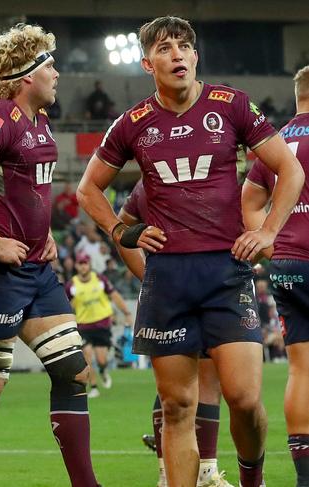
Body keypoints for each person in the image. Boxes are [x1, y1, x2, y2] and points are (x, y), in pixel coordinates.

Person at [76, 15, 303, 487]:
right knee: (178, 406)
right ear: (146, 62)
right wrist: (122, 231)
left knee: (243, 399)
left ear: (196, 56)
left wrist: (267, 233)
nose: (176, 54)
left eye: (184, 46)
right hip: (168, 281)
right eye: (164, 48)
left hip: (226, 272)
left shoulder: (233, 105)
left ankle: (251, 477)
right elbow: (88, 190)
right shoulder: (132, 123)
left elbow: (290, 171)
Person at [0, 23, 101, 487]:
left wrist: (46, 234)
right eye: (49, 65)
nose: (57, 73)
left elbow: (24, 193)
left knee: (74, 371)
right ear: (25, 76)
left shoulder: (40, 122)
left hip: (36, 269)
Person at [120, 180, 233, 487]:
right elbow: (121, 231)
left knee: (181, 387)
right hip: (184, 290)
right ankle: (191, 472)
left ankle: (184, 472)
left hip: (192, 289)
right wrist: (149, 279)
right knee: (184, 387)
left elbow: (121, 230)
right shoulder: (156, 183)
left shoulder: (151, 182)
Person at [242, 64, 309, 487]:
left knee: (301, 370)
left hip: (286, 265)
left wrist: (266, 238)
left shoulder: (277, 141)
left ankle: (304, 477)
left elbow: (249, 199)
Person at [65, 253, 132, 398]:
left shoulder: (100, 280)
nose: (83, 266)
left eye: (85, 263)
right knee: (87, 356)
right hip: (83, 326)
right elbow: (64, 305)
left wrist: (126, 312)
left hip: (102, 324)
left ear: (89, 265)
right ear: (77, 266)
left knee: (101, 360)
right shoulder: (71, 285)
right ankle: (94, 387)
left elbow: (115, 296)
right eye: (80, 264)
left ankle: (103, 370)